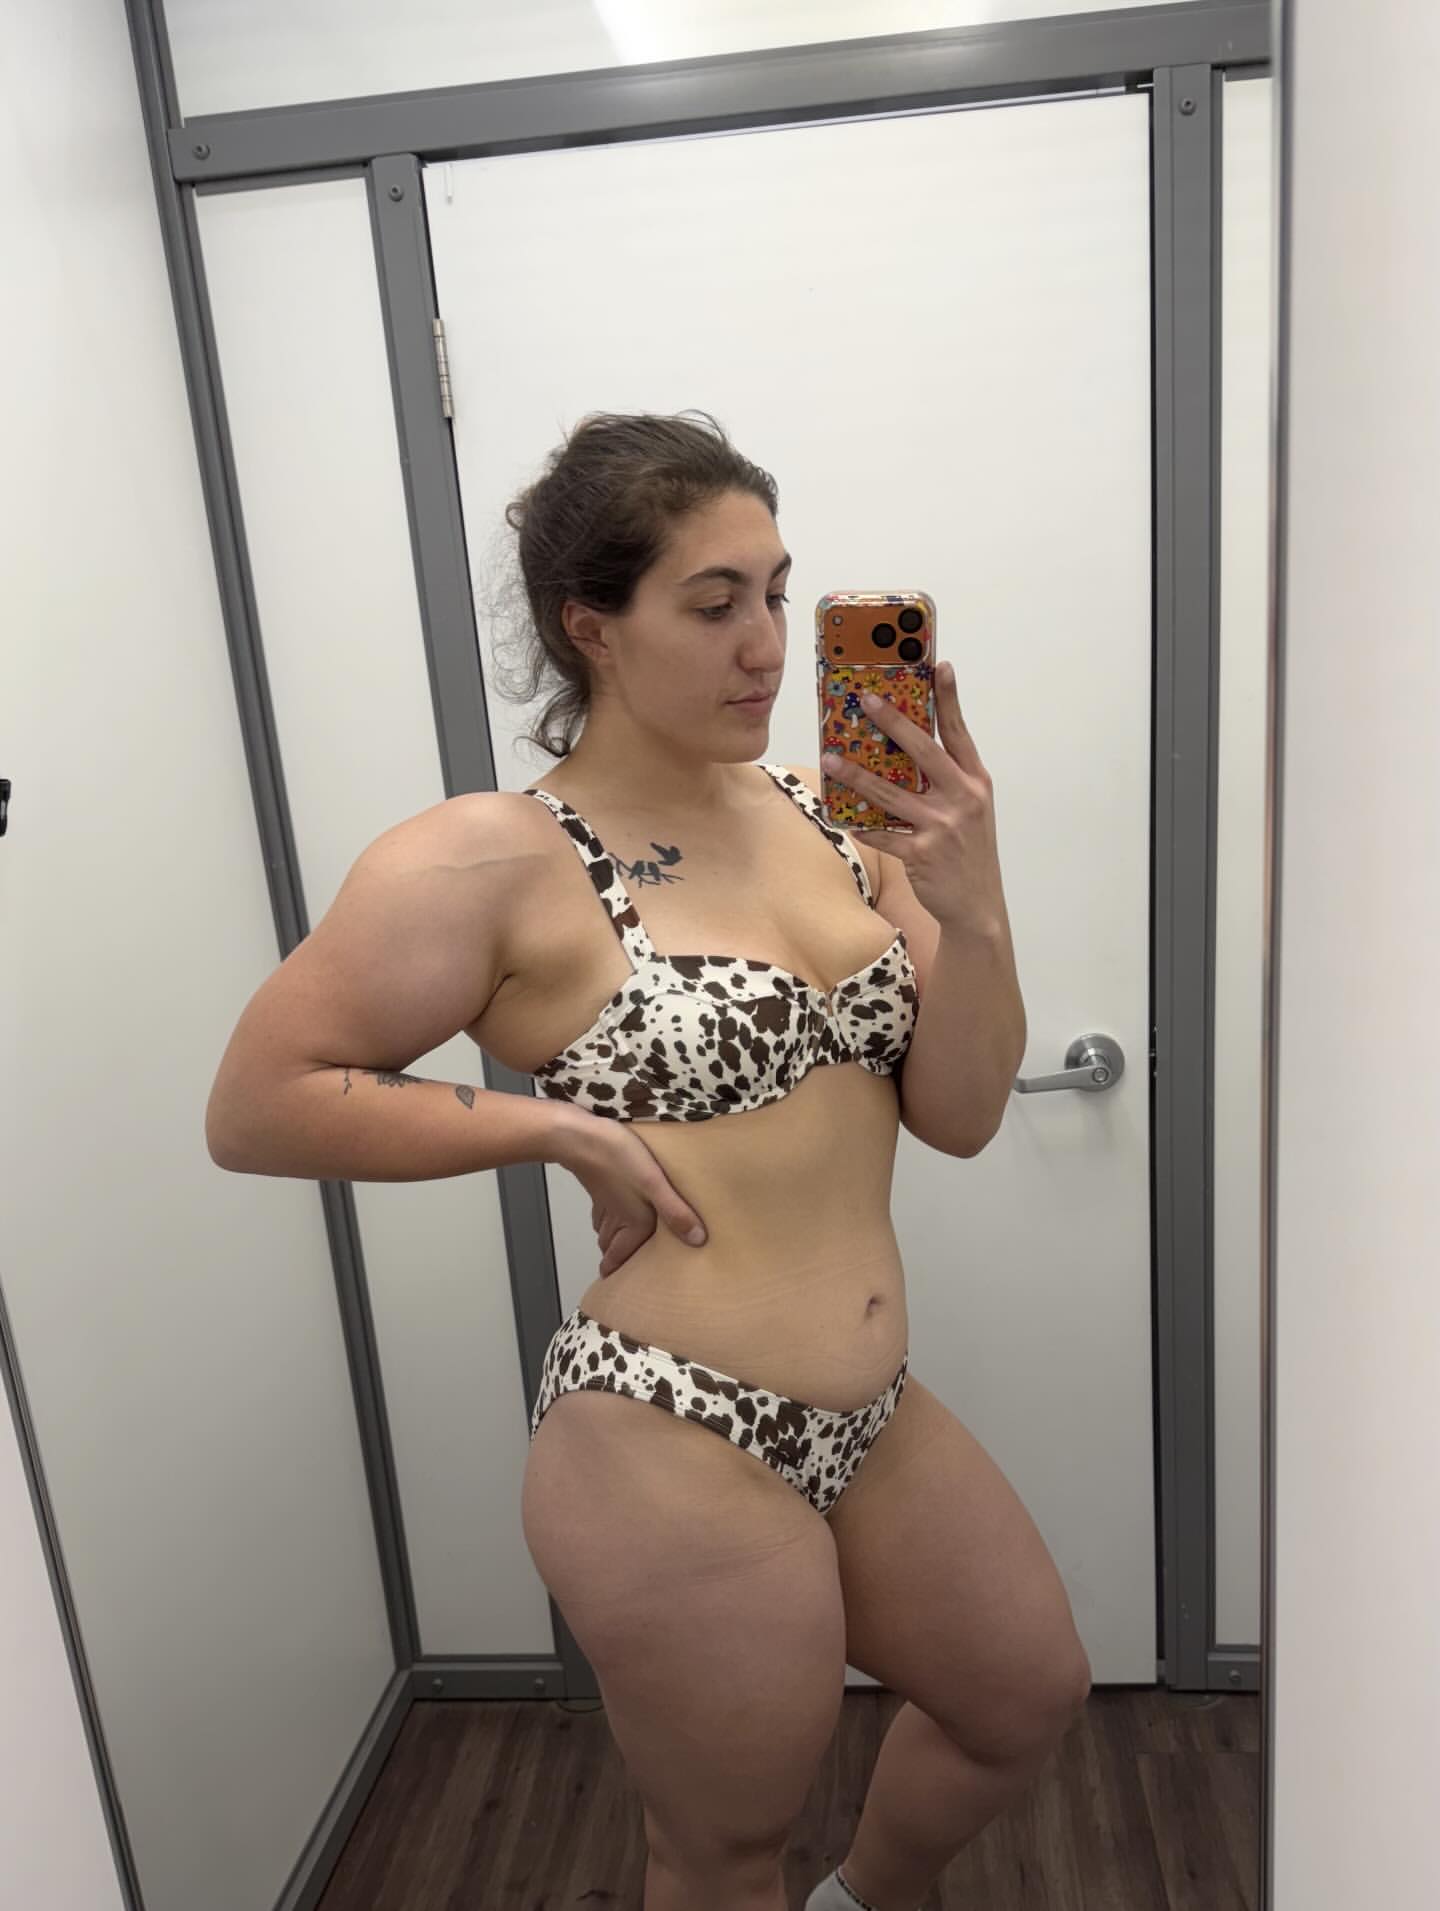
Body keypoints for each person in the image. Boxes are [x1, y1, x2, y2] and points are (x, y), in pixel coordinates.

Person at [205, 411, 1091, 1911]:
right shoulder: (490, 858)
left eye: (777, 593)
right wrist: (551, 1127)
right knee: (722, 1851)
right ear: (591, 626)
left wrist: (978, 905)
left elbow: (960, 1113)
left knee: (1025, 1694)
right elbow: (257, 1105)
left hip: (871, 1409)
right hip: (669, 1434)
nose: (766, 645)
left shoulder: (840, 821)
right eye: (712, 602)